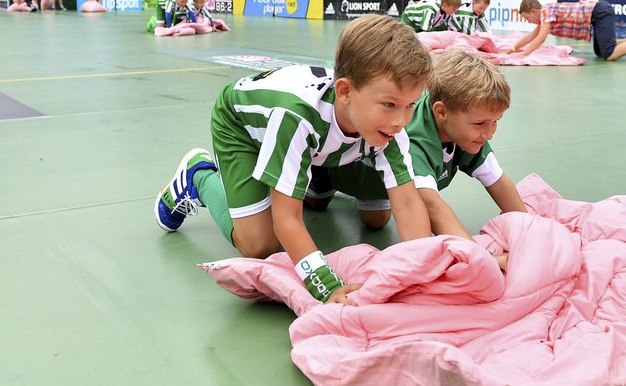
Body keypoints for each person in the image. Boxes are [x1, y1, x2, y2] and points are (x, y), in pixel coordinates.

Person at [153, 16, 440, 304]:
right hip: (242, 127)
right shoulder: (297, 118)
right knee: (259, 245)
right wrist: (326, 286)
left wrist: (423, 272)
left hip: (309, 140)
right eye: (390, 104)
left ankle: (304, 177)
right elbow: (286, 219)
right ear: (345, 92)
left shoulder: (384, 117)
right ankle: (199, 176)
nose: (401, 120)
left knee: (378, 218)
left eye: (410, 105)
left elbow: (406, 201)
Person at [312, 49, 526, 239]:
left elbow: (496, 179)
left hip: (376, 182)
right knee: (317, 203)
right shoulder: (414, 139)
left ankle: (370, 191)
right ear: (441, 112)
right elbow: (430, 204)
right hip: (343, 170)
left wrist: (527, 230)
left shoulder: (466, 125)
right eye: (481, 123)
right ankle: (319, 175)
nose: (489, 133)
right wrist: (477, 257)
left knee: (376, 222)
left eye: (495, 121)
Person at [514, 0, 626, 61]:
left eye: (527, 18)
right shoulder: (545, 14)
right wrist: (511, 50)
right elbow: (531, 37)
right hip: (598, 13)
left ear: (534, 11)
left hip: (599, 13)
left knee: (609, 54)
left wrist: (522, 56)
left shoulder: (545, 12)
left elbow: (540, 39)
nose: (529, 22)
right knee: (600, 51)